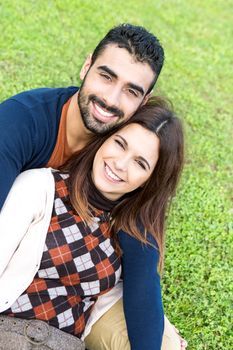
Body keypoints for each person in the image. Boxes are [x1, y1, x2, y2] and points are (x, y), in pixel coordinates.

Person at [0, 98, 184, 350]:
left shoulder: (127, 225)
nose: (120, 164)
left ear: (149, 180)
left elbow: (143, 293)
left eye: (140, 163)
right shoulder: (40, 187)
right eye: (120, 144)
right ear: (105, 138)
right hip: (13, 333)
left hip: (68, 344)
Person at [0, 23, 164, 210]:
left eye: (131, 91)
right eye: (106, 77)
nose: (111, 100)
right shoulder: (19, 121)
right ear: (86, 67)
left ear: (143, 102)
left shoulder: (130, 143)